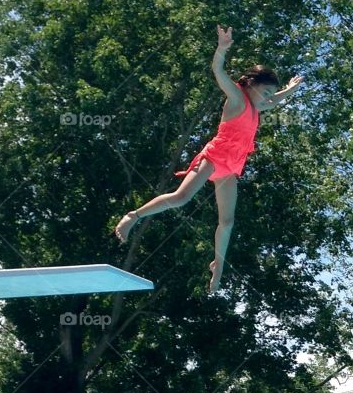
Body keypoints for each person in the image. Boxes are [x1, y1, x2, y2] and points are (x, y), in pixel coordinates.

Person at [114, 25, 304, 294]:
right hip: (215, 157)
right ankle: (133, 215)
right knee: (182, 198)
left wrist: (290, 89)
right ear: (250, 85)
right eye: (265, 92)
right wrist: (222, 49)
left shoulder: (257, 104)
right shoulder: (237, 97)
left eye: (269, 95)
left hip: (232, 167)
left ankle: (219, 265)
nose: (267, 98)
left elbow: (273, 102)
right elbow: (218, 72)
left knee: (227, 221)